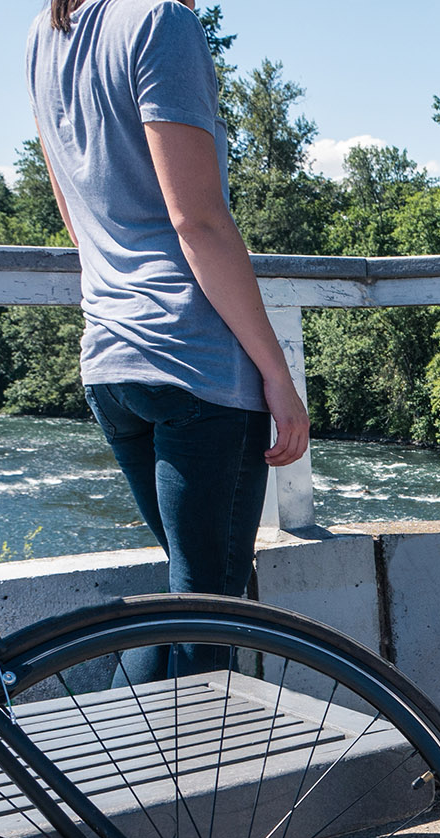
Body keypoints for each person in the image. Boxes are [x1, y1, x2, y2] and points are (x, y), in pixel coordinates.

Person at [27, 0, 308, 676]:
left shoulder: (46, 33)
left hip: (111, 361)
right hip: (195, 361)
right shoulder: (162, 23)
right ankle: (144, 778)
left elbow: (73, 213)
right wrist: (275, 370)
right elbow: (198, 222)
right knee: (205, 611)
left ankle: (123, 772)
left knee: (189, 595)